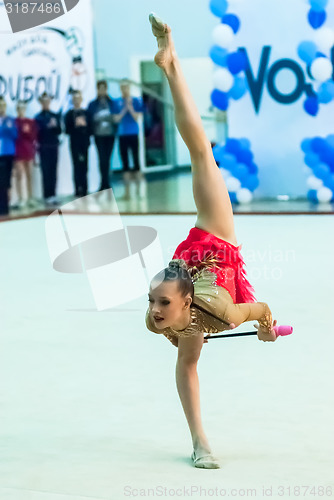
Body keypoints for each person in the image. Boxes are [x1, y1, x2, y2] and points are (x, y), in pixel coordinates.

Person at [145, 14, 278, 470]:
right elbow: (176, 334)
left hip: (214, 242)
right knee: (187, 358)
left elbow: (259, 310)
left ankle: (171, 63)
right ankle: (201, 441)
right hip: (189, 273)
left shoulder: (220, 310)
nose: (153, 312)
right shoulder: (166, 318)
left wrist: (265, 325)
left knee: (201, 151)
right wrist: (172, 318)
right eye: (153, 304)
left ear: (181, 303)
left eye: (160, 305)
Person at [113, 79, 145, 200]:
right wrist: (124, 109)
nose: (125, 90)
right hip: (122, 134)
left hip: (133, 133)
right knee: (125, 162)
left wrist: (130, 107)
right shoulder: (116, 102)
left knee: (136, 161)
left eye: (126, 87)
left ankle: (139, 192)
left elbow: (137, 118)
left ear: (129, 88)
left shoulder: (136, 100)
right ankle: (127, 193)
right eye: (122, 87)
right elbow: (116, 119)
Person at [87, 80, 116, 191]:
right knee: (102, 158)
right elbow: (91, 118)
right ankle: (103, 182)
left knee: (108, 159)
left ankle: (107, 182)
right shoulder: (93, 104)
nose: (102, 91)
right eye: (100, 88)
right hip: (98, 135)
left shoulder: (111, 103)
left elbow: (114, 118)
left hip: (110, 135)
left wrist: (103, 118)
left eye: (104, 88)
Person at [35, 92, 62, 206]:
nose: (46, 103)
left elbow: (59, 131)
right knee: (45, 171)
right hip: (43, 147)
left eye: (48, 101)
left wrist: (55, 126)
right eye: (44, 101)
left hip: (53, 146)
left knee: (53, 170)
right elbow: (37, 133)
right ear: (41, 102)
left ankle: (53, 194)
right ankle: (47, 195)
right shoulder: (38, 117)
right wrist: (47, 126)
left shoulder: (54, 115)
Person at [11, 100, 38, 209]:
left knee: (29, 175)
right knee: (19, 175)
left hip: (29, 151)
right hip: (18, 151)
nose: (21, 110)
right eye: (19, 108)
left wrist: (27, 132)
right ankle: (20, 198)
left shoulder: (30, 121)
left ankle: (30, 197)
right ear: (17, 109)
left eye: (23, 108)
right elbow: (13, 136)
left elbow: (33, 136)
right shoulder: (14, 122)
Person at [65, 90, 91, 197]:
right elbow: (66, 130)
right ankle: (77, 189)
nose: (76, 101)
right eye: (74, 99)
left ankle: (85, 188)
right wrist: (75, 125)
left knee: (84, 166)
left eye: (78, 98)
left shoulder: (86, 113)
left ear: (81, 100)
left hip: (84, 142)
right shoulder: (69, 114)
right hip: (74, 142)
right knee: (76, 166)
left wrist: (84, 125)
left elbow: (91, 128)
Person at [0, 97, 18, 215]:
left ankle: (6, 205)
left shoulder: (10, 119)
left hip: (8, 153)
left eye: (3, 106)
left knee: (6, 180)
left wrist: (5, 128)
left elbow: (14, 134)